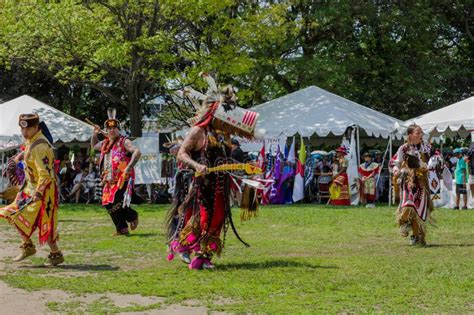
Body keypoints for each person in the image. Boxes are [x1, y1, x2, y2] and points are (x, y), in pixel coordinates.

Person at [165, 73, 261, 270]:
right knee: (201, 217)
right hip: (202, 186)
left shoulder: (224, 135)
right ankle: (185, 246)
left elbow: (230, 157)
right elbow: (181, 154)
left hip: (221, 186)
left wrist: (243, 170)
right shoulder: (198, 132)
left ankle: (203, 256)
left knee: (217, 219)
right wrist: (197, 166)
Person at [0, 114, 64, 266]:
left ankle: (55, 253)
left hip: (44, 190)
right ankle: (28, 246)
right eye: (23, 128)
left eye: (28, 128)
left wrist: (39, 192)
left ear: (36, 127)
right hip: (29, 187)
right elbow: (28, 150)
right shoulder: (32, 140)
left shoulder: (40, 146)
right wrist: (18, 157)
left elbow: (46, 174)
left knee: (44, 222)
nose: (25, 132)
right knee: (11, 212)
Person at [91, 109, 141, 236]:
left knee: (117, 200)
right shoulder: (105, 143)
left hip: (123, 178)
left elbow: (137, 152)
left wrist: (129, 167)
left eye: (114, 128)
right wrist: (94, 134)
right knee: (108, 203)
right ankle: (122, 229)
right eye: (109, 128)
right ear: (106, 130)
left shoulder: (124, 141)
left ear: (118, 129)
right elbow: (94, 146)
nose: (112, 130)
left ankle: (132, 216)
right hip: (108, 179)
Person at [391, 124, 433, 246]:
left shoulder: (426, 147)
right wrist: (397, 170)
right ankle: (405, 224)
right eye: (418, 133)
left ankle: (418, 235)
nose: (421, 135)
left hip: (421, 183)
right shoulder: (403, 148)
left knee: (420, 210)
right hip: (408, 182)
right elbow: (395, 163)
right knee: (408, 207)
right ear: (410, 135)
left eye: (421, 133)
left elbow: (435, 157)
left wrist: (431, 164)